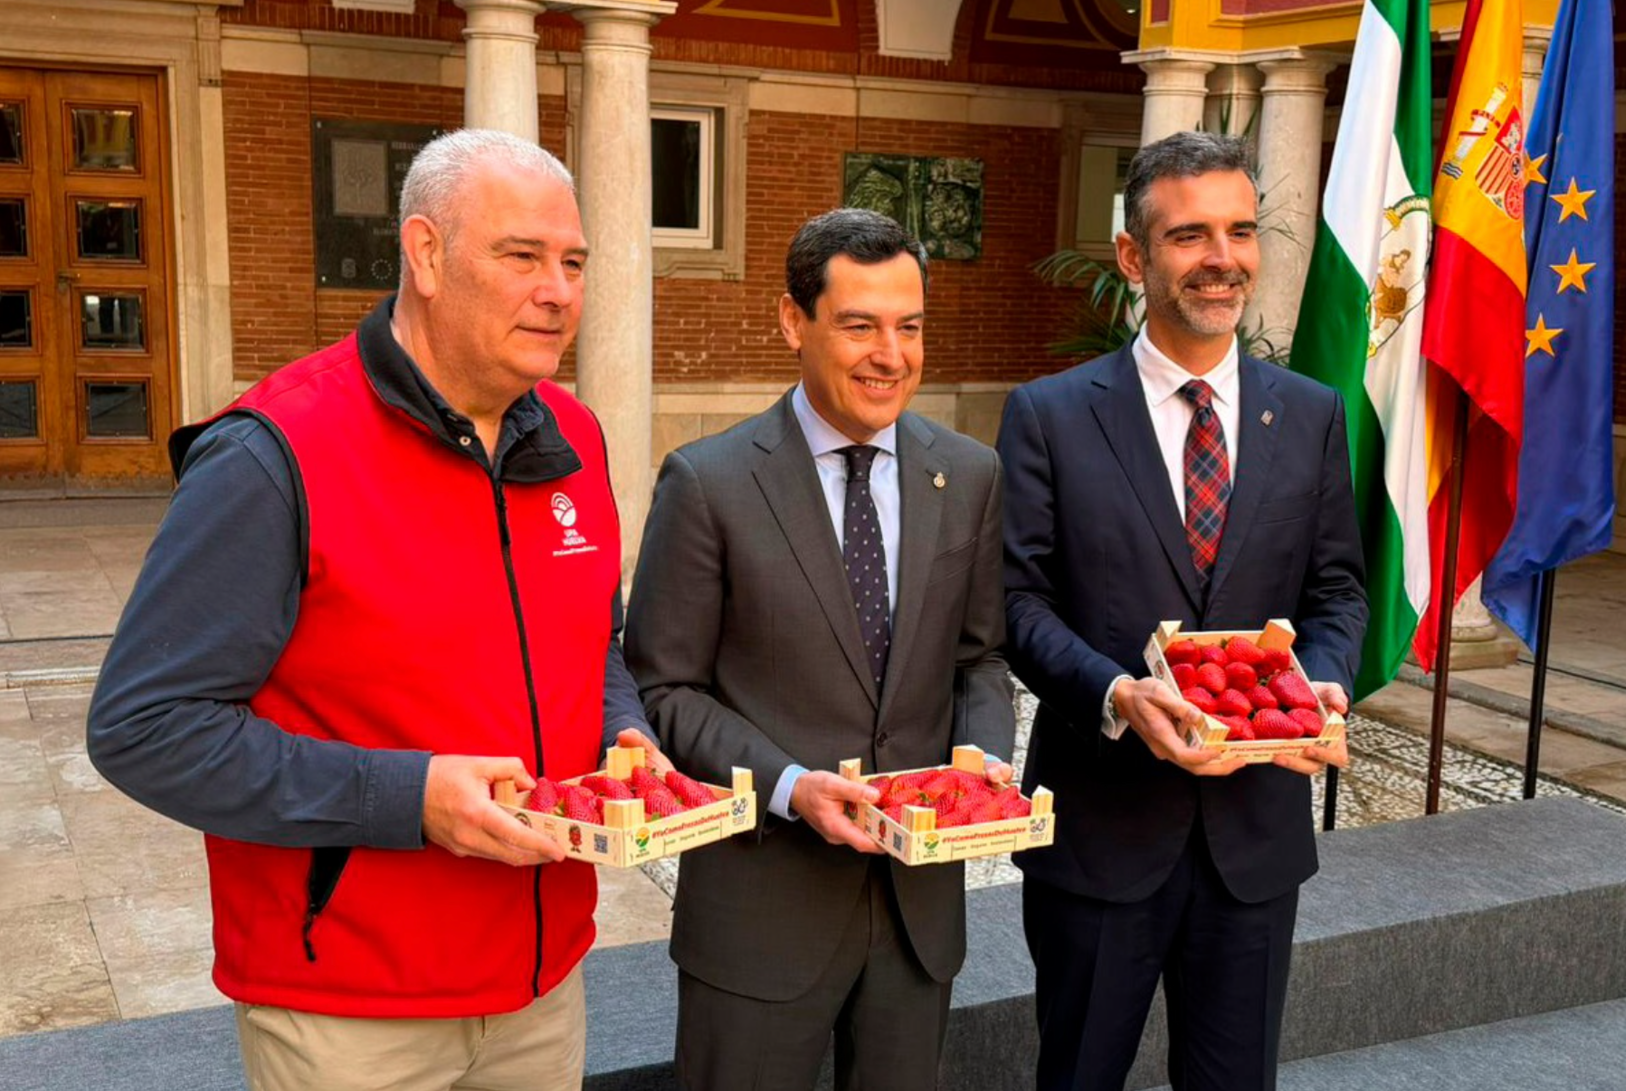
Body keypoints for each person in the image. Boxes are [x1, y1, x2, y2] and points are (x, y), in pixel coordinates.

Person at [87, 129, 663, 1091]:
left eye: (573, 262)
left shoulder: (575, 435)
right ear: (426, 255)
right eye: (521, 255)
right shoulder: (274, 451)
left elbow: (591, 643)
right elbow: (144, 728)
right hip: (349, 1008)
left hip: (543, 987)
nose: (558, 291)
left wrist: (621, 728)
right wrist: (408, 798)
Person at [996, 130, 1369, 1090]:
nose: (1222, 258)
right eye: (1190, 234)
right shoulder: (1050, 415)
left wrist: (1322, 683)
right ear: (1134, 255)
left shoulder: (1312, 414)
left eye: (1240, 231)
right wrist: (1117, 693)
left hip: (1255, 842)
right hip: (1102, 836)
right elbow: (1019, 602)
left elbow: (1336, 589)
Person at [627, 207, 1015, 1091]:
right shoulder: (708, 481)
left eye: (909, 327)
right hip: (763, 909)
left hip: (916, 913)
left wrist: (983, 763)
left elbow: (979, 658)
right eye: (860, 325)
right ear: (793, 321)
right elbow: (666, 688)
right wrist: (792, 786)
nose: (891, 354)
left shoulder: (969, 473)